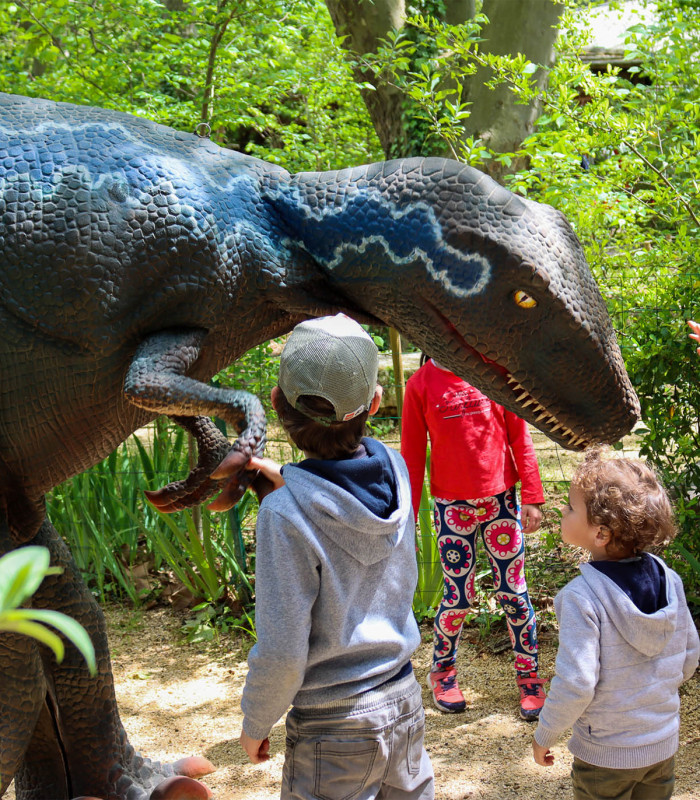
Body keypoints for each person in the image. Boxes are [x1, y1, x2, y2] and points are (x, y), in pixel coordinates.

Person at [235, 315, 434, 800]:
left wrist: (257, 719)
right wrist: (289, 485)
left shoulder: (284, 514)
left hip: (332, 725)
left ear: (277, 402)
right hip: (402, 700)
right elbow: (348, 498)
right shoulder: (398, 471)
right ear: (375, 404)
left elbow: (283, 650)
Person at [532, 448, 700, 800]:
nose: (562, 510)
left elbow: (577, 682)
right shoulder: (670, 580)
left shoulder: (582, 597)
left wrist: (545, 733)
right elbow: (689, 657)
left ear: (602, 534)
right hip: (661, 745)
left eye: (571, 507)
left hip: (606, 757)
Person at [401, 356, 546, 720]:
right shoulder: (420, 385)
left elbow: (519, 434)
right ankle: (443, 672)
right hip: (453, 507)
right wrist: (405, 519)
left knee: (513, 594)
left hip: (502, 502)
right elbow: (413, 454)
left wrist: (532, 496)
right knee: (458, 596)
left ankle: (529, 678)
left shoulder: (494, 372)